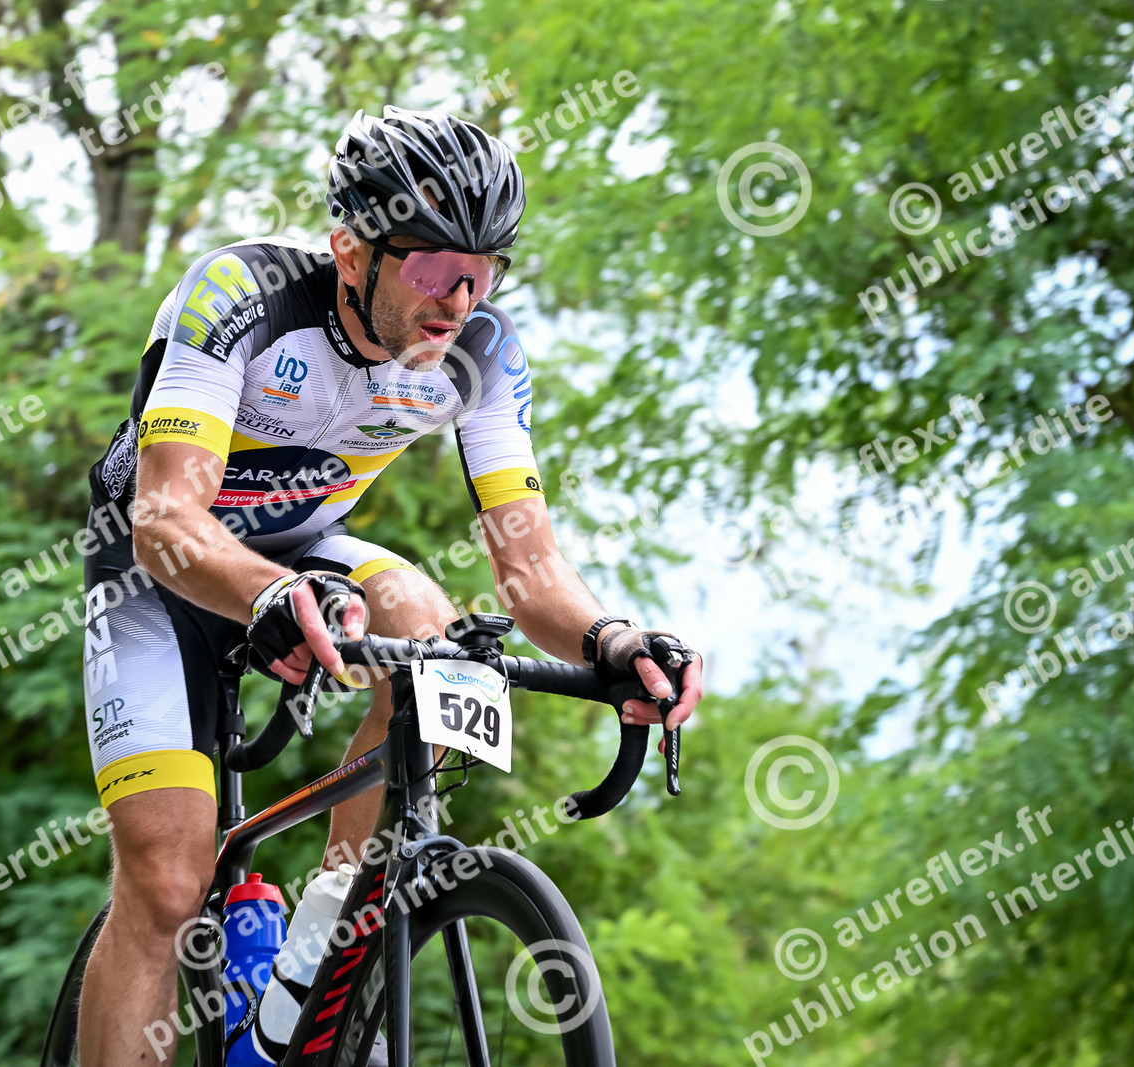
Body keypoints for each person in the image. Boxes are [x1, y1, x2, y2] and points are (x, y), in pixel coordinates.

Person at [75, 104, 705, 1064]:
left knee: (433, 631)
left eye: (482, 271)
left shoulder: (480, 352)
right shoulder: (243, 296)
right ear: (351, 250)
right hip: (154, 575)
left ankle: (315, 972)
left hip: (303, 548)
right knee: (168, 883)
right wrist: (266, 596)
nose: (458, 299)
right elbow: (166, 521)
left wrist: (612, 641)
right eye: (431, 268)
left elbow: (530, 567)